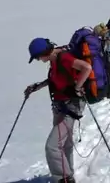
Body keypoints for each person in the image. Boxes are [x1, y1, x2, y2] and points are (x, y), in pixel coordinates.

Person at [24, 37, 92, 183]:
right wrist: (37, 86)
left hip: (71, 106)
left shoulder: (64, 57)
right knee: (64, 143)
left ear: (44, 52)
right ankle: (68, 174)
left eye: (37, 57)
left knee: (52, 146)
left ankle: (64, 178)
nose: (38, 60)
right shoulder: (54, 60)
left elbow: (86, 68)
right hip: (61, 105)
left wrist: (77, 87)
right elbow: (56, 79)